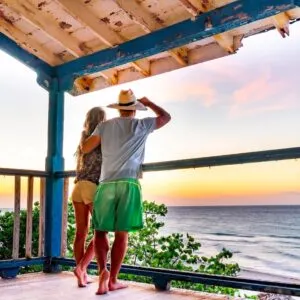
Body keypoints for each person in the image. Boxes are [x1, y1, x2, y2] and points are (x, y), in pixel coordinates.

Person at [81, 89, 171, 295]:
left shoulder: (104, 126)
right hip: (128, 183)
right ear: (135, 109)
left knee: (100, 231)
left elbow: (86, 148)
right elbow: (166, 118)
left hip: (106, 183)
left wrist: (96, 134)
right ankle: (113, 280)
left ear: (119, 108)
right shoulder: (142, 124)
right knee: (122, 235)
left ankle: (102, 272)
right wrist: (150, 102)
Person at [71, 106, 106, 287]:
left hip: (78, 187)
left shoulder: (84, 137)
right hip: (92, 187)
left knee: (81, 233)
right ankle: (82, 267)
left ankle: (81, 273)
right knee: (102, 231)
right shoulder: (103, 137)